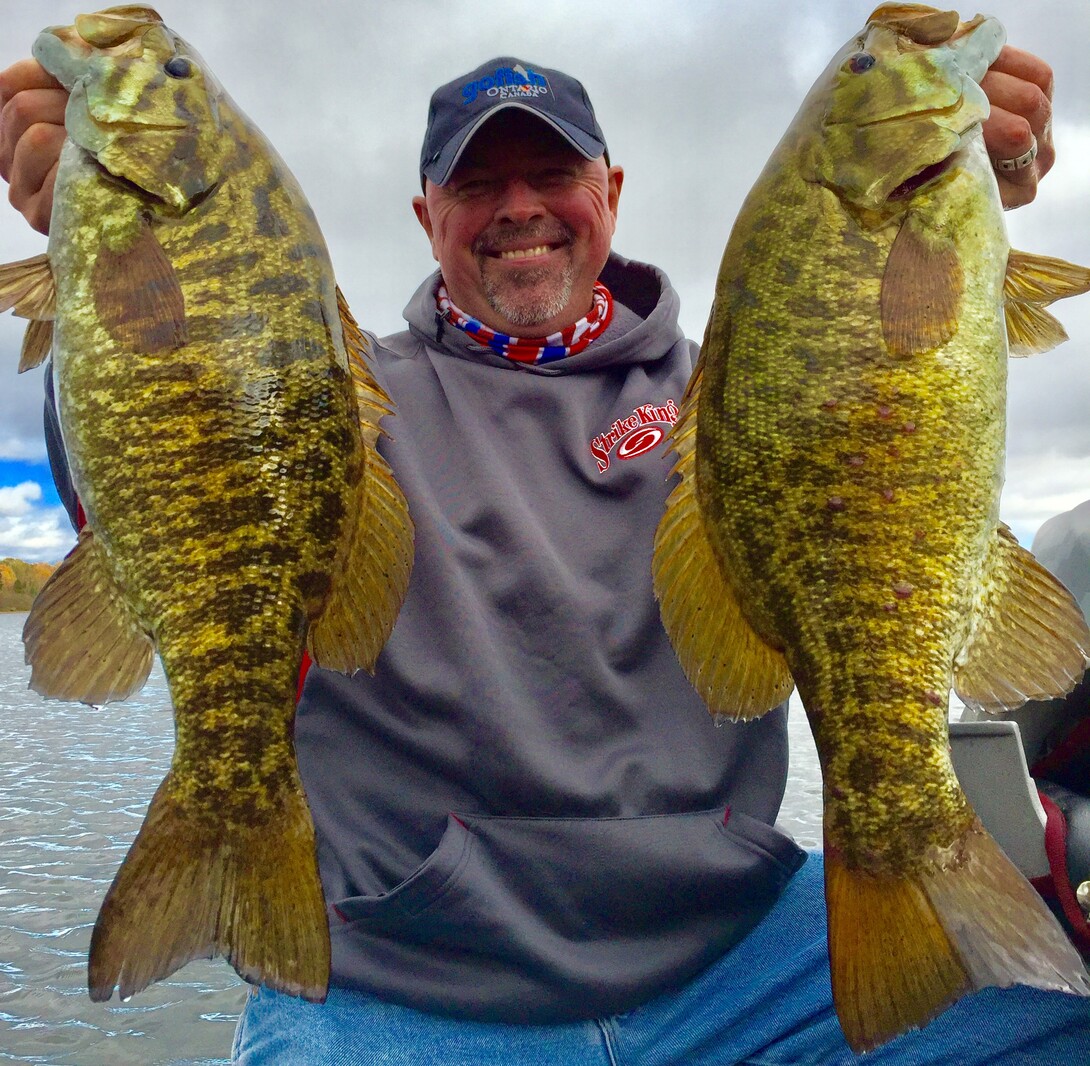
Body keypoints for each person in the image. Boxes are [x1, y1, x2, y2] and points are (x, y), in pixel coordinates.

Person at [2, 35, 1088, 1066]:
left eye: (552, 172)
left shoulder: (750, 396)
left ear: (610, 193)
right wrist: (114, 267)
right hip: (409, 975)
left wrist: (962, 199)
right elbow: (179, 466)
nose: (519, 208)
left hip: (741, 948)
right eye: (478, 185)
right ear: (427, 216)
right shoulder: (339, 405)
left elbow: (907, 423)